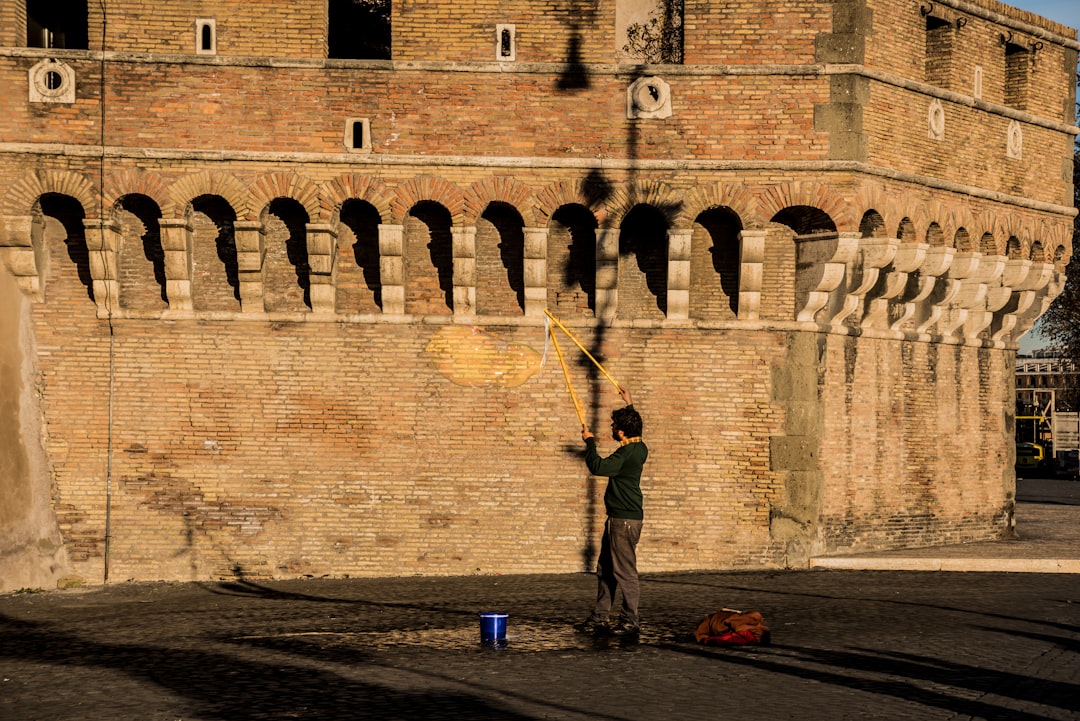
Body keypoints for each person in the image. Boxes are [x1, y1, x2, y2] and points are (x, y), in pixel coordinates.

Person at [577, 386, 648, 636]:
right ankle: (600, 617)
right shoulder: (639, 446)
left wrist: (590, 442)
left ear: (620, 432)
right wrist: (630, 404)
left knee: (625, 572)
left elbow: (597, 466)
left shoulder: (626, 455)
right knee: (605, 569)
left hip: (623, 522)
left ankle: (630, 620)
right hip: (619, 519)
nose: (611, 429)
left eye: (613, 426)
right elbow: (635, 426)